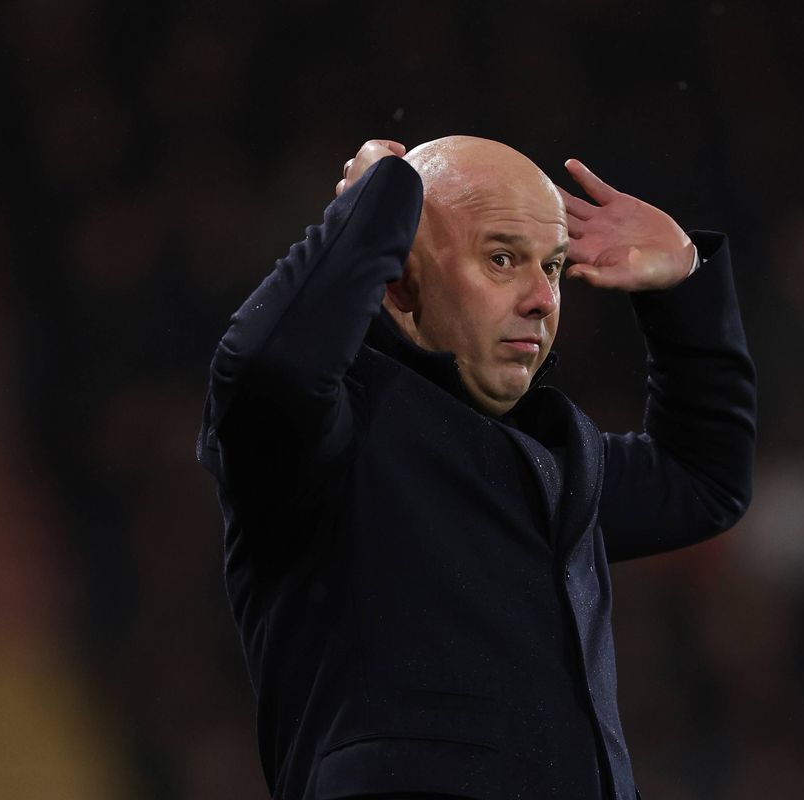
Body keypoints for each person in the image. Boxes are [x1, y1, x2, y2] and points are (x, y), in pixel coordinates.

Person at [197, 136, 756, 800]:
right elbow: (270, 366)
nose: (543, 300)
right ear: (401, 280)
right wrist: (380, 202)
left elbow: (702, 481)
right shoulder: (329, 438)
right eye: (501, 259)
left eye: (550, 267)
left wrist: (683, 282)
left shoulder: (554, 457)